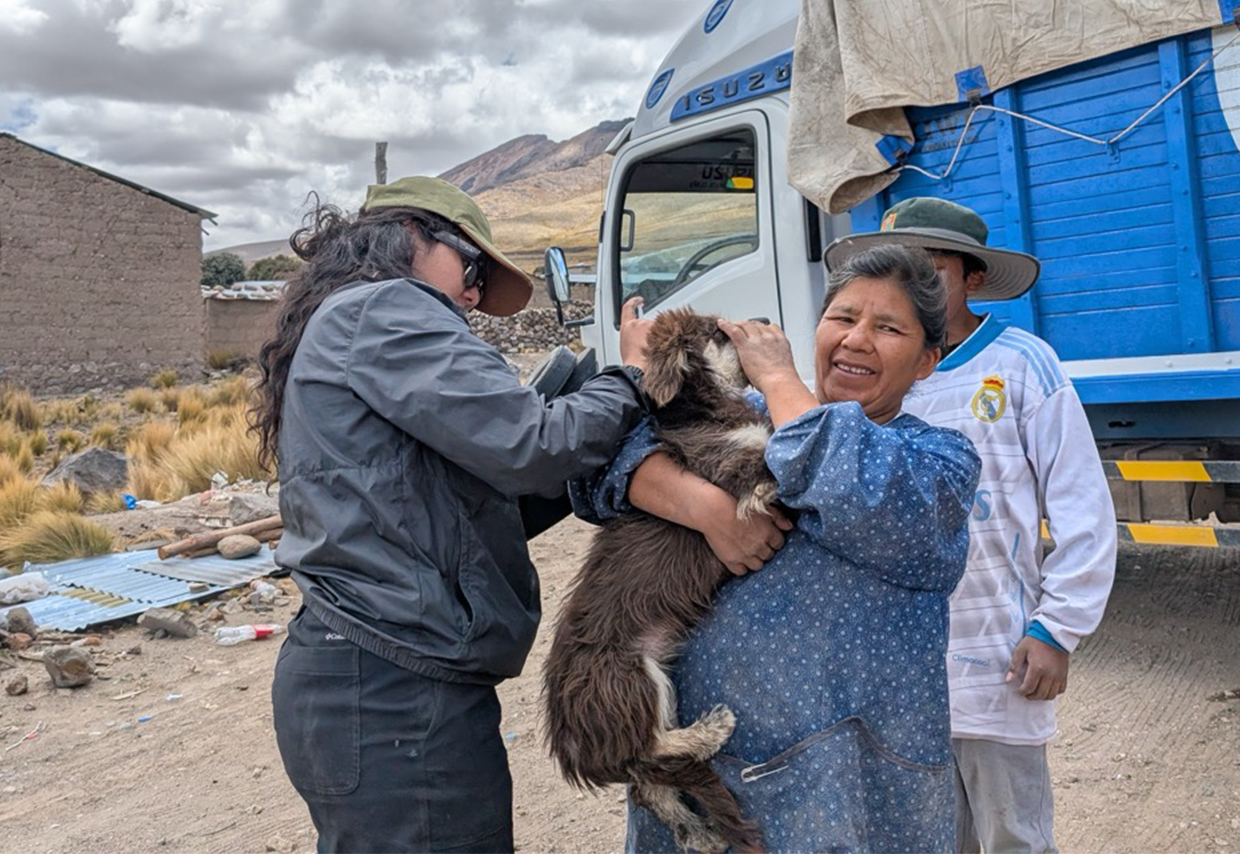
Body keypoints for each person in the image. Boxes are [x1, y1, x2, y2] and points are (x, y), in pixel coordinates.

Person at [253, 176, 655, 853]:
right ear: (410, 235)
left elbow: (458, 510)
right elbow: (533, 444)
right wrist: (631, 377)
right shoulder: (384, 307)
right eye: (471, 268)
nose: (472, 296)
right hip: (393, 693)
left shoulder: (351, 322)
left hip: (373, 679)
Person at [574, 244, 982, 853]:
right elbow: (593, 468)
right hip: (724, 770)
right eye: (842, 319)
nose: (857, 340)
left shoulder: (939, 462)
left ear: (926, 362)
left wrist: (780, 378)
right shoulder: (741, 414)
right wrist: (704, 508)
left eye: (888, 328)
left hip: (860, 782)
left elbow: (843, 476)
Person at [826, 197, 1118, 853]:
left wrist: (1056, 629)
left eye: (928, 272)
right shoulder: (868, 376)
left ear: (973, 279)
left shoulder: (1021, 365)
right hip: (898, 671)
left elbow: (1082, 509)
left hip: (997, 661)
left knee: (1012, 835)